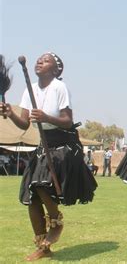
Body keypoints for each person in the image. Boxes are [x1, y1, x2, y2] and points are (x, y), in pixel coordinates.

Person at [0, 52, 97, 261]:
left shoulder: (59, 87)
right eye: (39, 59)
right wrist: (10, 113)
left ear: (55, 69)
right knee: (32, 197)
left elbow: (68, 120)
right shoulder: (30, 90)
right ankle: (43, 246)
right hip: (43, 145)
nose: (39, 61)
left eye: (45, 61)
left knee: (39, 184)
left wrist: (45, 117)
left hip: (64, 144)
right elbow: (25, 124)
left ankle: (56, 220)